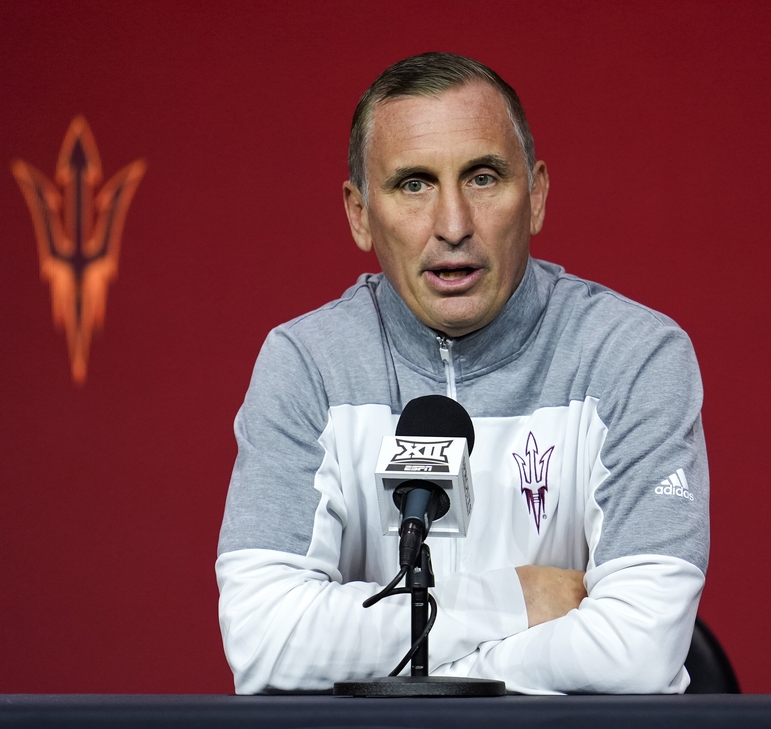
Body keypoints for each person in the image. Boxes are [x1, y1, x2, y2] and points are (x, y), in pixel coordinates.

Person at [216, 52, 709, 695]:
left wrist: (433, 683)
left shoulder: (633, 355)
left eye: (482, 178)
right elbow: (265, 639)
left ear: (535, 197)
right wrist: (513, 601)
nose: (453, 226)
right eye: (413, 184)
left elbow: (636, 651)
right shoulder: (307, 364)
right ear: (360, 214)